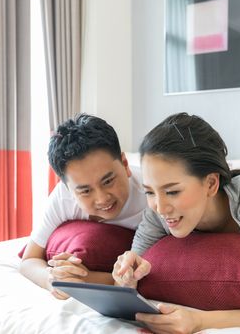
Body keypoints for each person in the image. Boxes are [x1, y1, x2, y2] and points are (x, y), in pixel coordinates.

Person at [113, 112, 240, 332]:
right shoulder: (157, 212)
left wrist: (198, 321)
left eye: (172, 191)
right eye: (149, 192)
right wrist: (126, 278)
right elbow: (124, 285)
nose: (160, 207)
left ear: (211, 184)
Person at [19, 113, 146, 299]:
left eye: (108, 181)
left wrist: (86, 278)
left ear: (125, 164)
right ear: (68, 189)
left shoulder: (152, 195)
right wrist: (52, 280)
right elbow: (29, 260)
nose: (102, 199)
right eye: (85, 191)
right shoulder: (63, 197)